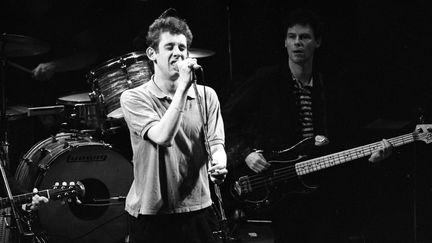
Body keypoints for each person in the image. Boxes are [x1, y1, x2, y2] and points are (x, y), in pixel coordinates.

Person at [222, 8, 392, 243]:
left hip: (322, 187)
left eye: (305, 37)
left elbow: (346, 137)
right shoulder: (266, 80)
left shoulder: (328, 86)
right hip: (278, 188)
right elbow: (225, 118)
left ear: (318, 42)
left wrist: (371, 155)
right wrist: (246, 154)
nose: (297, 43)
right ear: (284, 42)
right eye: (292, 37)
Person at [120, 14, 227, 243]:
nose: (177, 52)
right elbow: (162, 136)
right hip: (152, 213)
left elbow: (216, 143)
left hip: (197, 209)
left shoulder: (207, 96)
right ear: (152, 54)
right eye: (169, 47)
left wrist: (220, 161)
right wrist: (182, 89)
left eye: (182, 47)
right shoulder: (134, 97)